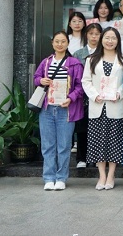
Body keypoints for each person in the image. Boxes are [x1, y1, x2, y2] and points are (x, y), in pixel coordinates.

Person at [33, 31, 85, 191]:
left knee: (64, 146)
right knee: (48, 145)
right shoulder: (46, 62)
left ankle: (61, 178)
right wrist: (40, 80)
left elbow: (80, 86)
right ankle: (49, 178)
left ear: (67, 43)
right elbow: (36, 78)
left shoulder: (75, 63)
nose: (60, 44)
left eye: (63, 41)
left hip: (66, 109)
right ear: (52, 43)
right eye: (57, 41)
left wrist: (71, 98)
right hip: (47, 109)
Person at [81, 27, 123, 191]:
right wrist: (94, 95)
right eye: (107, 37)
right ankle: (101, 175)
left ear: (118, 41)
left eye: (113, 38)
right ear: (101, 39)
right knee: (98, 142)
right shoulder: (91, 59)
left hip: (115, 105)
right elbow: (86, 81)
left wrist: (119, 93)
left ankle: (111, 175)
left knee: (114, 142)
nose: (110, 41)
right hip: (98, 106)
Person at [72, 23, 103, 168]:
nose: (94, 37)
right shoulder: (78, 54)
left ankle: (97, 158)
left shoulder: (105, 52)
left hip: (101, 95)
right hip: (82, 96)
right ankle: (82, 158)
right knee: (82, 128)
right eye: (91, 34)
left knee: (99, 129)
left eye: (97, 34)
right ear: (86, 35)